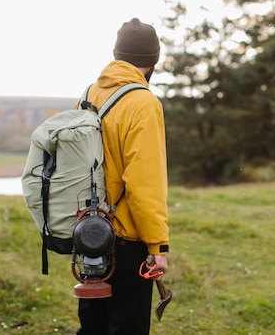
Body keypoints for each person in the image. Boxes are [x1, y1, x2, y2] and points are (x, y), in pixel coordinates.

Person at [76, 18, 170, 335]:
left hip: (88, 232)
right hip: (126, 240)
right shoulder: (143, 103)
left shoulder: (89, 93)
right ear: (153, 61)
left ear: (117, 55)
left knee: (92, 326)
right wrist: (157, 248)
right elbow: (145, 184)